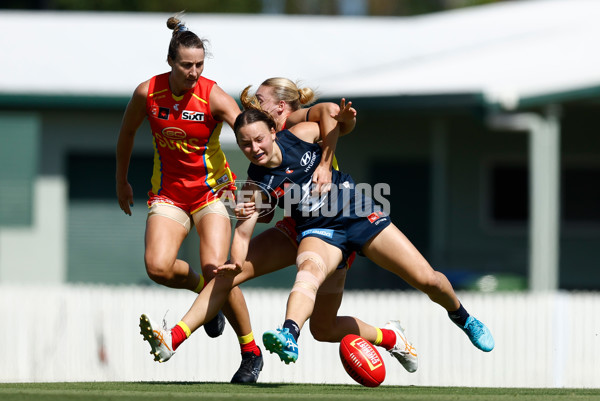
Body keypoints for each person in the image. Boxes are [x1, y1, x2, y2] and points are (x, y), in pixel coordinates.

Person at [138, 89, 420, 374]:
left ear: (280, 109)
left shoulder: (304, 132)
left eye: (262, 101)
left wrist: (328, 156)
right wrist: (243, 235)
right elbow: (251, 225)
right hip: (294, 229)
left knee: (323, 325)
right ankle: (173, 339)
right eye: (246, 142)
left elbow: (335, 119)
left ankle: (379, 336)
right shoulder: (259, 168)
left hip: (333, 232)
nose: (256, 106)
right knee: (228, 275)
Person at [230, 107, 495, 364]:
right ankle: (289, 333)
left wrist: (325, 161)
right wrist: (235, 262)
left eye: (259, 139)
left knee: (429, 280)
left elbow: (335, 119)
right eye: (245, 144)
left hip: (357, 212)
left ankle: (462, 316)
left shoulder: (299, 134)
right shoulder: (254, 182)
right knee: (309, 276)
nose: (254, 148)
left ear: (273, 131)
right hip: (320, 230)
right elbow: (243, 233)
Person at [115, 14, 262, 383]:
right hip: (168, 194)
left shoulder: (212, 94)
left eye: (199, 65)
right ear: (170, 62)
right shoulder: (147, 93)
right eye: (186, 65)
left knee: (219, 270)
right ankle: (206, 302)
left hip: (211, 192)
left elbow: (248, 131)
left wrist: (257, 181)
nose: (194, 72)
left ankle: (250, 353)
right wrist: (121, 181)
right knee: (158, 267)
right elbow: (127, 133)